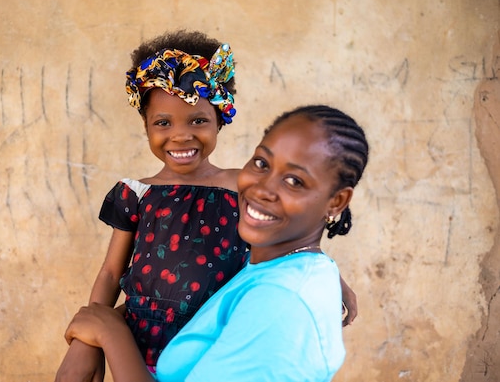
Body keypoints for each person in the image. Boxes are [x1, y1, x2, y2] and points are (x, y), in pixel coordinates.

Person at [54, 30, 358, 381]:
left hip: (211, 344)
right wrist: (87, 344)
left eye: (198, 120)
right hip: (137, 346)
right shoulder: (135, 194)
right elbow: (110, 272)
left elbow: (288, 244)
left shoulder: (239, 185)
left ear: (220, 120)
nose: (181, 135)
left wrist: (334, 277)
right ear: (146, 125)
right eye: (163, 123)